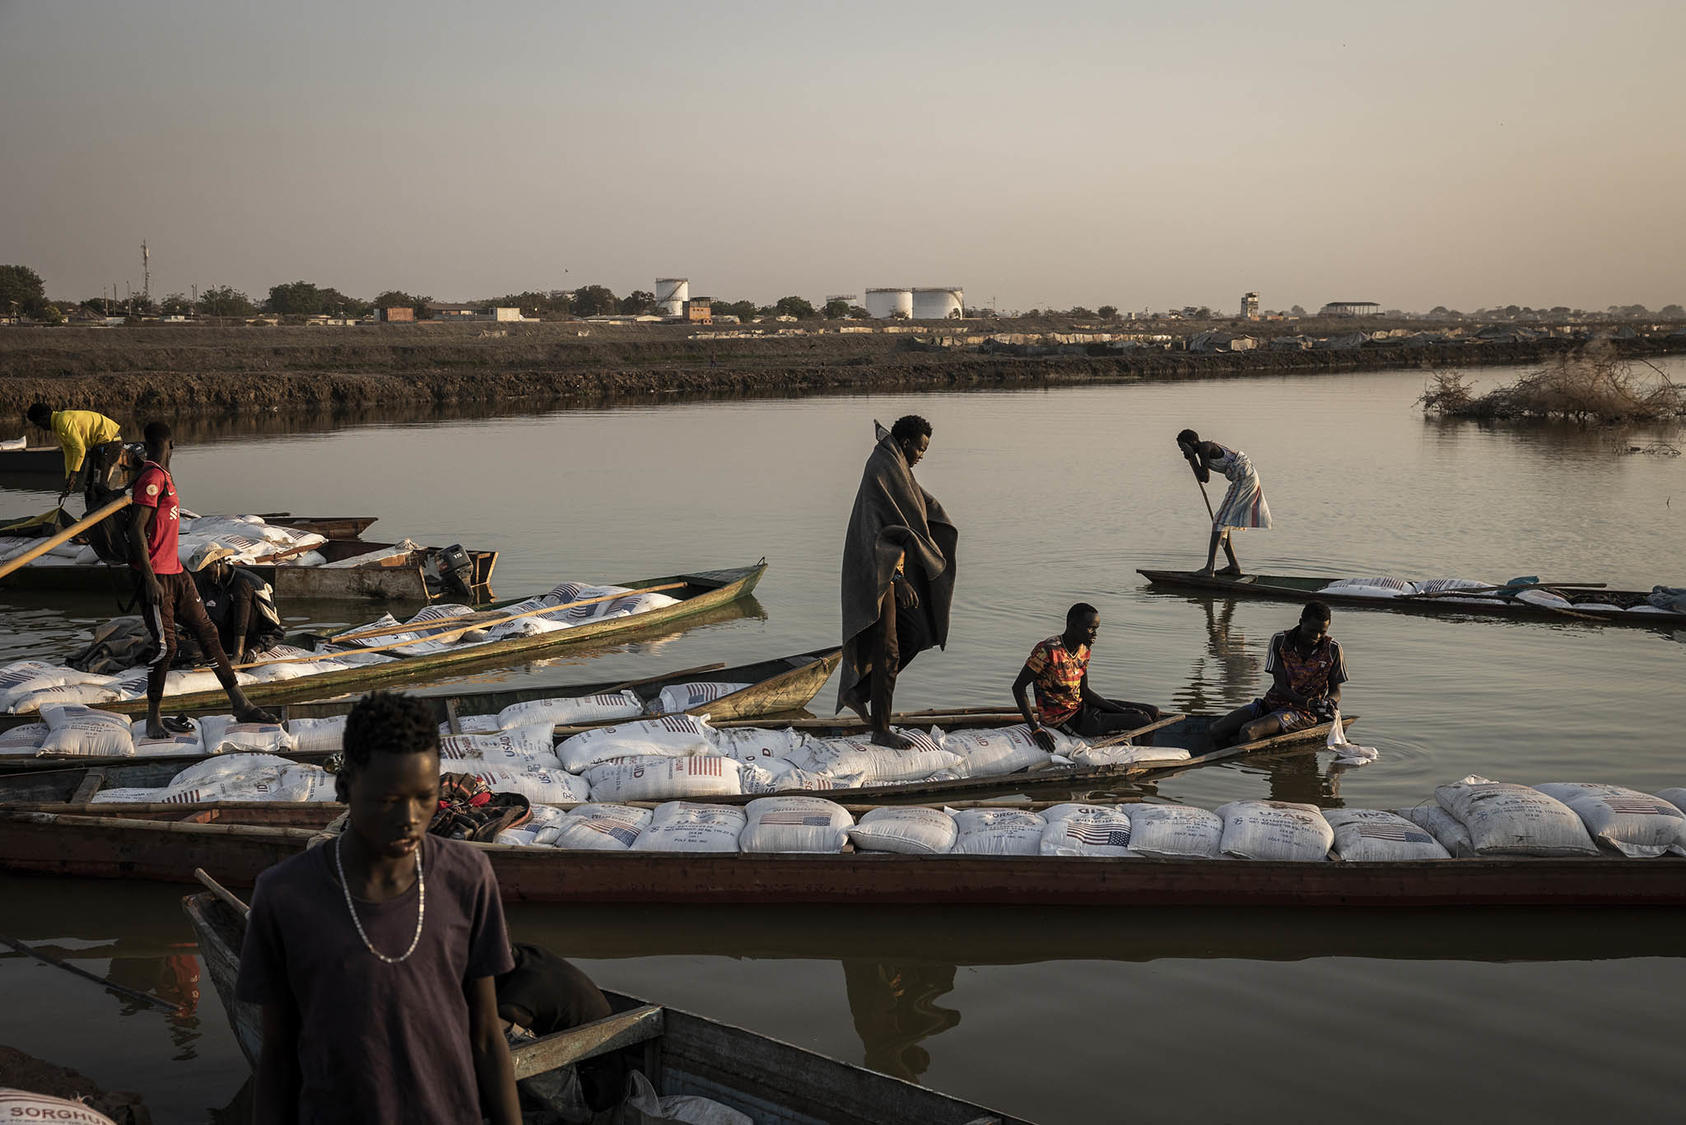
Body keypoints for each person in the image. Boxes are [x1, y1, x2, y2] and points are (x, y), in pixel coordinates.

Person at [237, 691, 522, 1124]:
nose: (409, 818)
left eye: (424, 797)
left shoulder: (468, 877)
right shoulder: (284, 895)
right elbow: (278, 1053)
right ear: (348, 785)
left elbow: (485, 1035)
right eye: (388, 800)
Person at [127, 420, 277, 738]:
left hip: (178, 574)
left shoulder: (164, 476)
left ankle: (240, 703)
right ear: (172, 445)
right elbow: (136, 529)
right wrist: (151, 579)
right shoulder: (153, 477)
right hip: (158, 578)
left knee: (207, 632)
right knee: (165, 648)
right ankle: (153, 718)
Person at [837, 415, 958, 748]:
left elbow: (914, 508)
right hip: (878, 574)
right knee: (888, 649)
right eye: (920, 448)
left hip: (888, 571)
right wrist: (898, 577)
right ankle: (881, 729)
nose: (922, 455)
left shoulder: (897, 467)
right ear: (905, 442)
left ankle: (858, 692)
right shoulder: (885, 466)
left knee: (915, 635)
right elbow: (883, 532)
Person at [1012, 603, 1162, 752]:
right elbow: (1018, 688)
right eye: (1090, 628)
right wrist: (1035, 730)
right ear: (1073, 626)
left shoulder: (1083, 649)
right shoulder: (1048, 651)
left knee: (1152, 711)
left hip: (1082, 708)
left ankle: (1140, 748)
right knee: (1143, 721)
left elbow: (1085, 691)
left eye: (1096, 629)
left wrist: (1122, 710)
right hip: (1064, 720)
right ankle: (1140, 757)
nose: (1094, 634)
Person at [495, 942, 625, 1114]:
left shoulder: (515, 1006)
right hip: (607, 1077)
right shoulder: (530, 955)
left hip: (586, 1095)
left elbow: (487, 1033)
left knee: (489, 1026)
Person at [1209, 600, 1346, 748]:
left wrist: (1328, 702)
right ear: (1301, 622)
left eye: (1322, 632)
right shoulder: (1280, 641)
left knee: (1248, 732)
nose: (1317, 636)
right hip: (1271, 703)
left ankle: (1244, 751)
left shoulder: (1332, 649)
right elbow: (1281, 687)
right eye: (1312, 631)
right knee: (1216, 729)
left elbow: (1335, 691)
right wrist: (1307, 701)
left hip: (1303, 712)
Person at [1176, 428, 1271, 577]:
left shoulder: (1205, 448)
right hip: (1241, 477)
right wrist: (1191, 457)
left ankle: (1209, 569)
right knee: (1222, 522)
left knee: (1219, 521)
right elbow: (1203, 477)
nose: (1183, 452)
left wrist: (1192, 458)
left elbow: (1204, 477)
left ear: (1192, 443)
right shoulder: (1201, 451)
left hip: (1244, 477)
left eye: (1184, 448)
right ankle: (1234, 566)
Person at [187, 543, 285, 664]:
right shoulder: (204, 582)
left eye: (206, 570)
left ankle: (237, 653)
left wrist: (254, 650)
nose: (203, 575)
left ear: (218, 562)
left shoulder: (248, 582)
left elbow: (274, 630)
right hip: (223, 639)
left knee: (241, 588)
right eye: (201, 571)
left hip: (250, 639)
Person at [26, 402, 122, 498]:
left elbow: (80, 449)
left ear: (44, 418)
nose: (41, 428)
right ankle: (93, 511)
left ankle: (113, 507)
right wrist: (68, 477)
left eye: (39, 424)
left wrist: (74, 473)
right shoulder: (58, 426)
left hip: (110, 442)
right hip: (98, 446)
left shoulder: (63, 421)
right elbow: (69, 453)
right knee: (88, 486)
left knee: (100, 487)